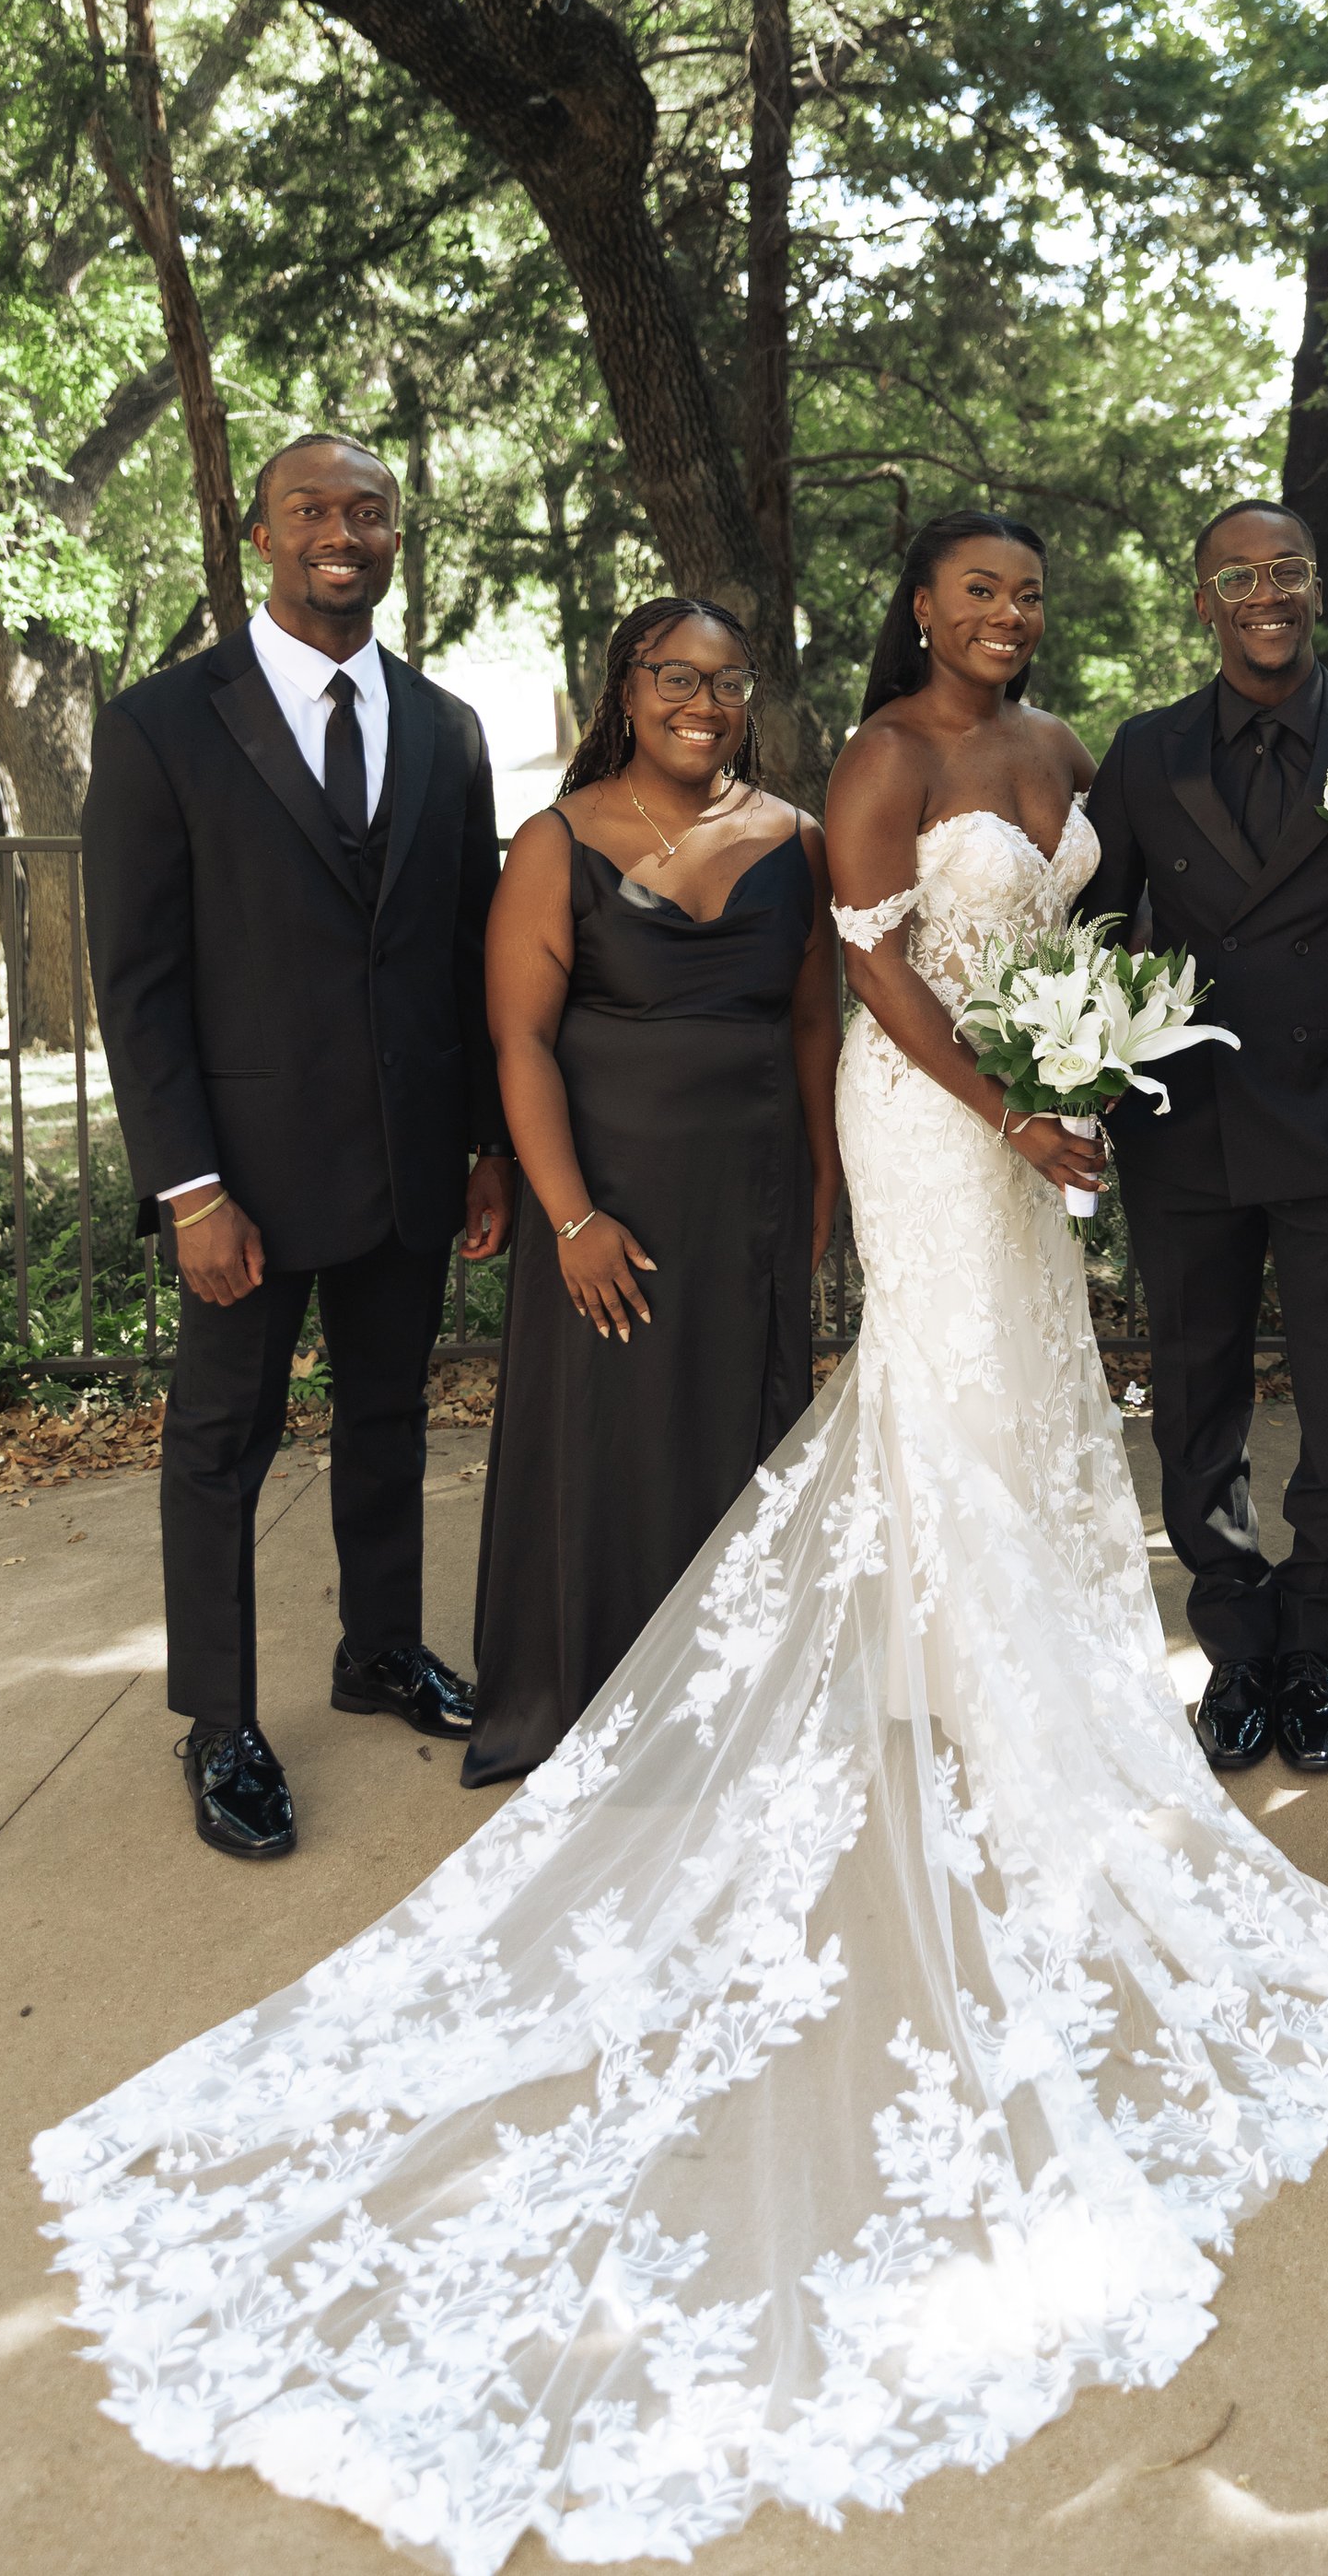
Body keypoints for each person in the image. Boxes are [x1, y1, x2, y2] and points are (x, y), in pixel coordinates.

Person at [35, 507, 1328, 2571]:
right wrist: (992, 1117)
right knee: (913, 1416)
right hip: (926, 1126)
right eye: (971, 591)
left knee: (1017, 1417)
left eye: (1026, 593)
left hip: (983, 1141)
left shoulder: (1063, 759)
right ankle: (306, 1707)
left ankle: (1002, 1693)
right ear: (913, 615)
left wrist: (1097, 1074)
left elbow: (1058, 950)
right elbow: (853, 983)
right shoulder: (851, 766)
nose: (1003, 617)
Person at [82, 432, 513, 1860]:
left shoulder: (446, 726)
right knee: (221, 1445)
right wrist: (188, 1183)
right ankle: (219, 1721)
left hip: (405, 1165)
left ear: (398, 535)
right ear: (256, 531)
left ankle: (380, 1651)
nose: (343, 530)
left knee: (388, 1424)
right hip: (243, 1182)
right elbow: (137, 979)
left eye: (368, 511)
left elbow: (465, 954)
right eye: (311, 509)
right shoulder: (160, 726)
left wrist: (487, 1150)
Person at [1081, 501, 1328, 1777]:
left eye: (1286, 571)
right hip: (1185, 1128)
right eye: (1235, 574)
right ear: (1202, 600)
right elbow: (1096, 930)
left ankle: (1316, 1644)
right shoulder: (1143, 752)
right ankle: (1235, 1643)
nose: (1265, 592)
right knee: (1194, 1392)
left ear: (1317, 588)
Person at [460, 599, 841, 1788]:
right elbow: (520, 1042)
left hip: (754, 1196)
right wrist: (570, 1215)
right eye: (675, 676)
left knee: (738, 1435)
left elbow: (815, 1024)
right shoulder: (552, 839)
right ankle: (591, 1698)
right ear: (625, 689)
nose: (702, 702)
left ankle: (729, 1696)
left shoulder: (801, 838)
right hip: (607, 1198)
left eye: (728, 682)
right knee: (609, 1443)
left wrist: (824, 1193)